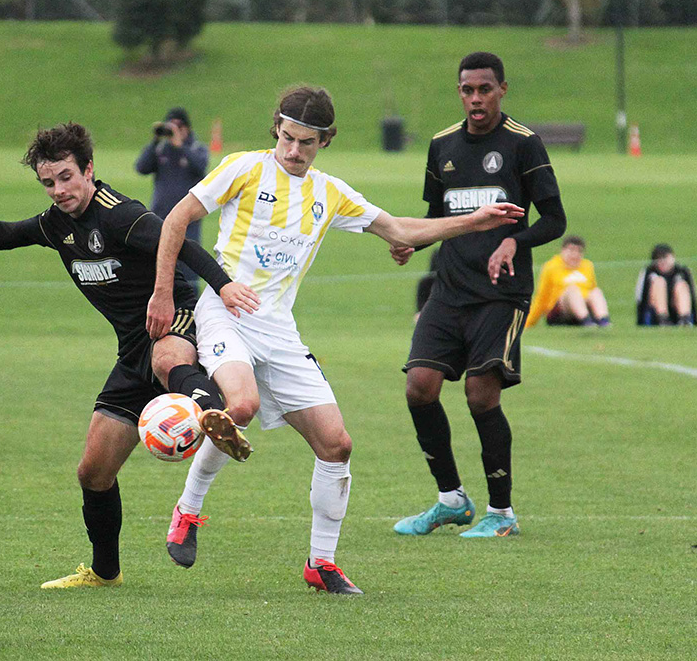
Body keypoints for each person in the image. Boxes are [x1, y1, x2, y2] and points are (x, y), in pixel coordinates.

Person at [146, 85, 524, 594]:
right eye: (286, 138)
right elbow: (176, 220)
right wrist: (163, 294)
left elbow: (402, 231)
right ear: (275, 131)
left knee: (337, 445)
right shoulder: (243, 168)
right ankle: (188, 512)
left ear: (326, 140)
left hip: (279, 328)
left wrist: (475, 221)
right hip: (226, 311)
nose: (293, 151)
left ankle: (320, 564)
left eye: (305, 142)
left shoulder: (330, 192)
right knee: (241, 405)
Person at [0, 122, 260, 590]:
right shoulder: (55, 224)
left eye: (66, 177)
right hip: (130, 349)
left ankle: (206, 410)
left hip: (175, 315)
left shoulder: (120, 215)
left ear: (88, 170)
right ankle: (105, 572)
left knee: (167, 360)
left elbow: (179, 241)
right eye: (48, 182)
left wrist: (218, 287)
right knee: (93, 472)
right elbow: (4, 232)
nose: (58, 190)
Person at [391, 52, 566, 540]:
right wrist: (411, 241)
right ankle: (450, 500)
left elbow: (555, 219)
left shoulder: (523, 145)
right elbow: (437, 217)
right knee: (418, 386)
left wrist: (515, 239)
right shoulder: (442, 145)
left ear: (502, 90)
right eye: (467, 90)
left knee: (479, 393)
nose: (475, 99)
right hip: (449, 290)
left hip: (501, 294)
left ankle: (502, 512)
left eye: (484, 90)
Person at [135, 107, 209, 294]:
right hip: (160, 218)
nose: (174, 130)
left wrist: (180, 146)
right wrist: (155, 141)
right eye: (170, 126)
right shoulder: (161, 149)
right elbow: (141, 167)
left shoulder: (196, 148)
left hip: (188, 221)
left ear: (186, 128)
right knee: (159, 266)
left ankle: (191, 311)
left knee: (188, 267)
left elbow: (200, 167)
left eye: (178, 126)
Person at [525, 235, 610, 328]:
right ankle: (586, 320)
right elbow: (542, 297)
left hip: (582, 306)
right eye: (571, 250)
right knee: (572, 290)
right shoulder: (551, 267)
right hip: (559, 312)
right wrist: (528, 323)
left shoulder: (587, 266)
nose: (575, 255)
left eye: (579, 251)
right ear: (563, 250)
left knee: (595, 291)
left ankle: (603, 320)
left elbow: (591, 290)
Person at [636, 243, 697, 326]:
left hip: (675, 307)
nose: (664, 262)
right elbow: (640, 298)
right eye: (660, 259)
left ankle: (684, 319)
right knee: (659, 282)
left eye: (666, 258)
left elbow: (693, 295)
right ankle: (663, 319)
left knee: (681, 285)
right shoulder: (649, 272)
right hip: (654, 312)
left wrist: (696, 320)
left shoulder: (682, 271)